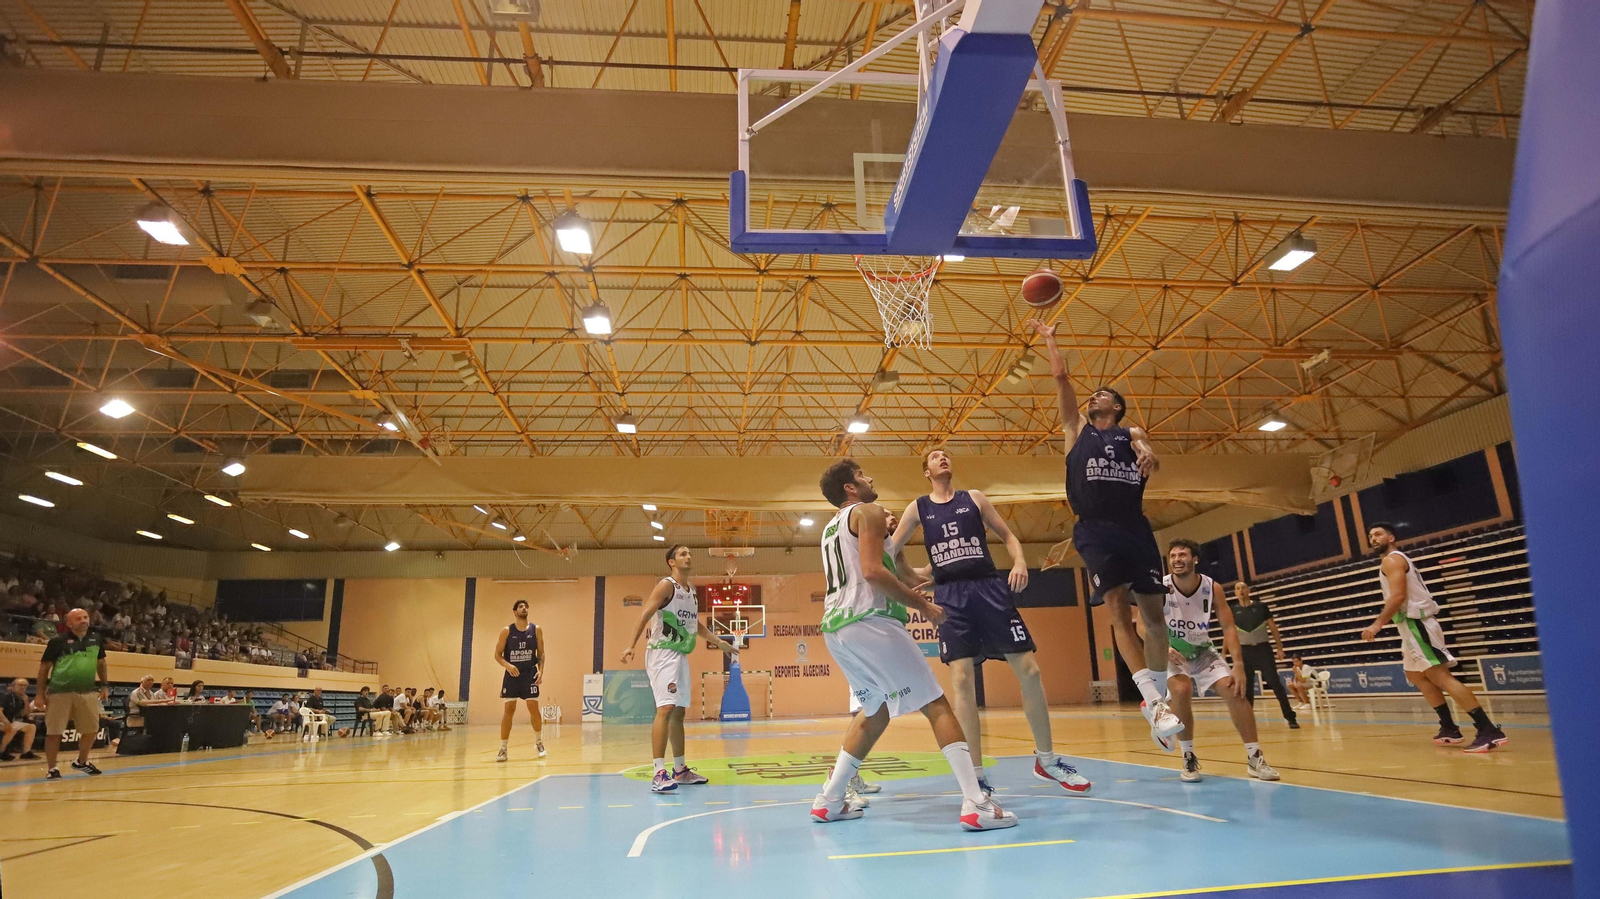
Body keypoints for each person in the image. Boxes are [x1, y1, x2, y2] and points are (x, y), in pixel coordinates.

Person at [809, 459, 1017, 830]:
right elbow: (873, 572)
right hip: (870, 621)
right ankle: (976, 803)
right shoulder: (869, 511)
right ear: (850, 488)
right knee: (936, 704)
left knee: (875, 711)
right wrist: (923, 606)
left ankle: (829, 799)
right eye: (861, 475)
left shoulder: (832, 528)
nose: (870, 477)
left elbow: (900, 571)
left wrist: (944, 563)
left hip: (837, 629)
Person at [889, 448, 1091, 795]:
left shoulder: (974, 498)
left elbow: (1009, 536)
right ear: (926, 472)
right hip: (951, 597)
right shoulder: (918, 508)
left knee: (1030, 670)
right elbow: (892, 555)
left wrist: (1020, 562)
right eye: (935, 457)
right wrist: (895, 561)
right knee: (962, 680)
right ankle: (976, 775)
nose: (942, 458)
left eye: (945, 454)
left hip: (989, 588)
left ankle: (1047, 760)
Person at [1032, 320, 1183, 749]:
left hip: (1134, 525)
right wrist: (1050, 340)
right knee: (1116, 606)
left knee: (1154, 618)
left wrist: (1148, 452)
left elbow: (1147, 449)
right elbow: (1061, 379)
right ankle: (1154, 702)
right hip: (1094, 528)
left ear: (1117, 407)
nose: (1094, 396)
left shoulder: (1130, 433)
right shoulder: (1076, 429)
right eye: (1093, 394)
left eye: (1103, 394)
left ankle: (1158, 700)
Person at [1362, 523, 1507, 752]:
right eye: (1370, 536)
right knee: (1415, 674)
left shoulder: (1392, 560)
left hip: (1416, 624)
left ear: (1391, 537)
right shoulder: (1392, 561)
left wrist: (1378, 623)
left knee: (1440, 676)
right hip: (1410, 627)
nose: (1373, 539)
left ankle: (1488, 729)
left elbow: (1398, 596)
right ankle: (1449, 727)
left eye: (1378, 534)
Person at [620, 547, 739, 791]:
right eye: (683, 554)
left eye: (689, 553)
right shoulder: (666, 586)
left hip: (681, 653)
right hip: (662, 652)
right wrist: (630, 645)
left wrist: (718, 642)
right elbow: (645, 614)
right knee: (665, 708)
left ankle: (680, 769)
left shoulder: (692, 591)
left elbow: (695, 625)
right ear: (671, 562)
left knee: (678, 713)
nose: (688, 556)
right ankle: (658, 773)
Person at [1162, 540, 1280, 783]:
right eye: (1173, 555)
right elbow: (1143, 625)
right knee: (1181, 690)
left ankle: (1255, 758)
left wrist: (1238, 665)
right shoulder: (1160, 587)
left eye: (1182, 555)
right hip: (1174, 653)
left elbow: (1228, 626)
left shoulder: (1212, 587)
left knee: (1235, 690)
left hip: (1203, 651)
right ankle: (1188, 756)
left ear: (1195, 559)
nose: (1177, 559)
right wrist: (1163, 647)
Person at [36, 608, 107, 778]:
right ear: (69, 623)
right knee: (54, 733)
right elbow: (44, 667)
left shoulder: (96, 639)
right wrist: (39, 693)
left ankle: (81, 762)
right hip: (59, 692)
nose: (83, 621)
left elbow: (101, 663)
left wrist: (104, 685)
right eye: (78, 618)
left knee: (91, 730)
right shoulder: (57, 641)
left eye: (85, 617)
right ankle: (52, 769)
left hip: (87, 692)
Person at [1229, 582, 1299, 729]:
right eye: (1238, 588)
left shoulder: (1261, 606)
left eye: (1243, 587)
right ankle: (1248, 720)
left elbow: (1272, 627)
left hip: (1263, 648)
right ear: (1235, 593)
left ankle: (1290, 717)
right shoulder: (1232, 610)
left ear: (1248, 590)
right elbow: (1229, 633)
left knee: (1274, 682)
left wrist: (1279, 647)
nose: (1241, 591)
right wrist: (1225, 653)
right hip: (1244, 650)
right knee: (1247, 686)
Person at [492, 601, 548, 762]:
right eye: (520, 606)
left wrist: (541, 671)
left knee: (533, 707)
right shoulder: (507, 631)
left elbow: (541, 653)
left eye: (526, 606)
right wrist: (508, 665)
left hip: (530, 673)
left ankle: (539, 742)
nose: (524, 608)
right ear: (515, 612)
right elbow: (497, 654)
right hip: (512, 674)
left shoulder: (536, 629)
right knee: (509, 710)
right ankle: (503, 748)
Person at [1, 677, 39, 761]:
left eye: (25, 686)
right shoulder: (6, 695)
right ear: (13, 686)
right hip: (2, 720)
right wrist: (6, 722)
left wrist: (26, 701)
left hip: (11, 721)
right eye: (20, 685)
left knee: (31, 727)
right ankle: (1, 751)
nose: (22, 687)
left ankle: (26, 752)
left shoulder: (21, 698)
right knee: (12, 728)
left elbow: (24, 714)